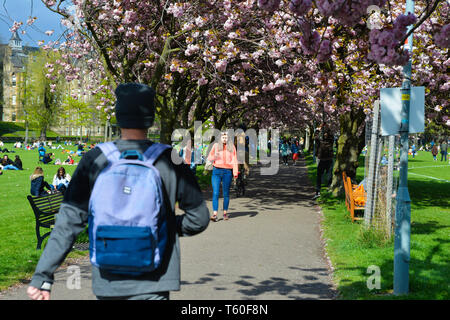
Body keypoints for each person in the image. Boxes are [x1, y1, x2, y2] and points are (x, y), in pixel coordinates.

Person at [27, 82, 209, 301]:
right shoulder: (170, 159)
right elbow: (199, 218)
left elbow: (68, 222)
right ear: (151, 119)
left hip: (109, 276)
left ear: (118, 116)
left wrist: (42, 277)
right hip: (155, 279)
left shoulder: (94, 159)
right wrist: (167, 227)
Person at [207, 130, 238, 222]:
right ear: (220, 138)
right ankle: (215, 214)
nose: (224, 139)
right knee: (215, 193)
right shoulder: (216, 146)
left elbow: (234, 160)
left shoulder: (232, 147)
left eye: (226, 137)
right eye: (223, 137)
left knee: (225, 194)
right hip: (216, 171)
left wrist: (235, 172)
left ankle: (225, 213)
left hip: (227, 172)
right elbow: (209, 157)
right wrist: (214, 157)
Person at [313, 128, 334, 199]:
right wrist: (318, 129)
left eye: (326, 133)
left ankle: (329, 188)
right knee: (319, 176)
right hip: (321, 160)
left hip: (329, 160)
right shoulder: (320, 141)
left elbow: (332, 135)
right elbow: (315, 137)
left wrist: (328, 128)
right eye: (324, 133)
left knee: (329, 175)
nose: (325, 134)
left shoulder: (330, 141)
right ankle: (318, 191)